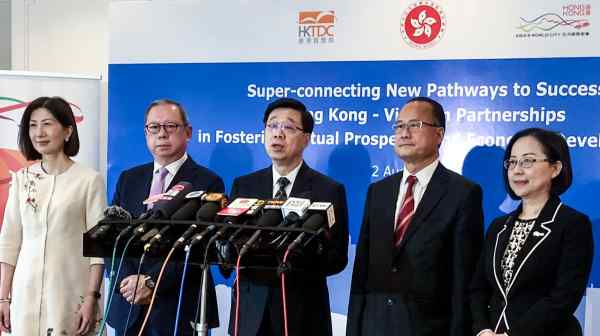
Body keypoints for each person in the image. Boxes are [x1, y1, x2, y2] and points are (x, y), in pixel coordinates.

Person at [347, 96, 484, 336]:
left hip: (428, 327)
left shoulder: (462, 193)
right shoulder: (378, 191)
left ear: (439, 135)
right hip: (375, 325)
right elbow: (361, 273)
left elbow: (463, 278)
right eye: (399, 126)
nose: (404, 133)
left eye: (415, 125)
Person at [226, 97, 349, 336]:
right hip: (249, 314)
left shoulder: (328, 190)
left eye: (289, 127)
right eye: (272, 126)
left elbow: (337, 257)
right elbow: (231, 248)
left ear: (306, 138)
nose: (278, 134)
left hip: (302, 313)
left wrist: (298, 257)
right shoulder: (244, 186)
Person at [106, 99, 224, 336]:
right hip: (128, 304)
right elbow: (113, 238)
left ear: (187, 132)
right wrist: (128, 282)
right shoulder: (129, 179)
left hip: (177, 306)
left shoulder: (208, 181)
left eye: (170, 126)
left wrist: (151, 283)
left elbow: (198, 248)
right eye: (154, 127)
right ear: (146, 132)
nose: (162, 134)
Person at [470, 128, 594, 336]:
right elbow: (478, 289)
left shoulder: (573, 224)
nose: (517, 170)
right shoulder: (498, 227)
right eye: (512, 162)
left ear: (555, 168)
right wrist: (483, 330)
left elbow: (563, 298)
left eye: (527, 161)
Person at [0, 96, 106, 335]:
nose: (39, 133)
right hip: (25, 293)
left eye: (47, 124)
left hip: (70, 293)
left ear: (68, 130)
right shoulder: (21, 178)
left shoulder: (89, 180)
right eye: (33, 125)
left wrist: (91, 297)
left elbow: (98, 248)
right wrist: (3, 298)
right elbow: (9, 242)